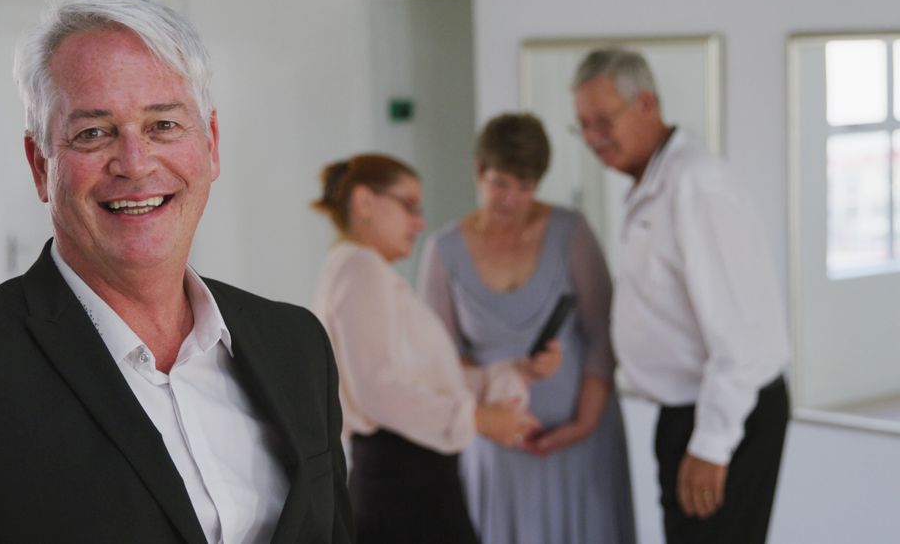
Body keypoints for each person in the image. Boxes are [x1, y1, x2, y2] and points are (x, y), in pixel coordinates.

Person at [0, 0, 351, 544]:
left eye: (163, 125)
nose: (134, 163)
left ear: (212, 144)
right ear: (40, 165)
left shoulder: (296, 344)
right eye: (92, 132)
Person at [571, 48, 791, 544]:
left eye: (603, 120)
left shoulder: (695, 185)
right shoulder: (656, 182)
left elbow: (742, 333)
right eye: (581, 125)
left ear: (646, 103)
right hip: (687, 411)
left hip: (723, 412)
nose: (591, 137)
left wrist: (712, 443)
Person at [310, 154, 560, 544]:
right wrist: (478, 419)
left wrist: (519, 372)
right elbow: (379, 390)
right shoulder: (360, 269)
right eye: (409, 206)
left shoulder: (366, 272)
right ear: (365, 203)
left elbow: (417, 379)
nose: (420, 223)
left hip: (411, 480)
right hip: (403, 483)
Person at [418, 113, 636, 544]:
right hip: (497, 446)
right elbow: (436, 358)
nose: (512, 199)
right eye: (501, 184)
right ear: (480, 170)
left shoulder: (571, 232)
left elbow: (602, 335)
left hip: (582, 441)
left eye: (526, 186)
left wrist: (584, 423)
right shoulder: (443, 251)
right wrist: (495, 409)